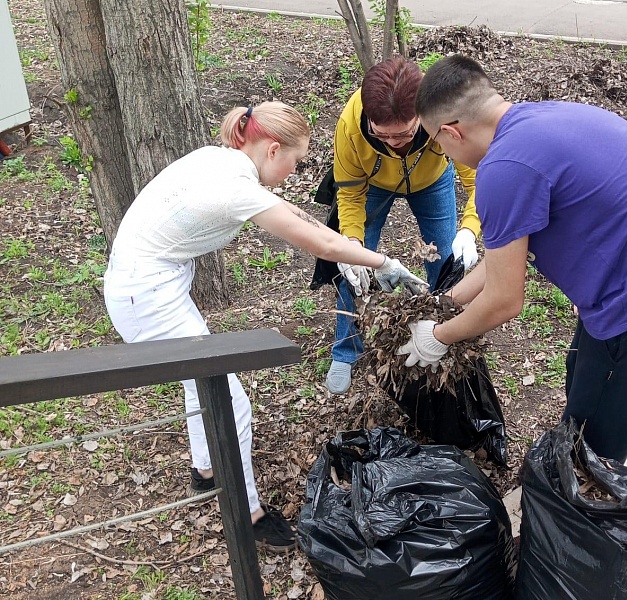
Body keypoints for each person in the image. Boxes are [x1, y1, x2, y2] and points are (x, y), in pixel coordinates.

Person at [103, 102, 423, 553]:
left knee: (203, 382)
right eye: (295, 161)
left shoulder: (222, 160)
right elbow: (309, 236)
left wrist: (348, 249)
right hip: (145, 297)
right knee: (232, 401)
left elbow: (293, 213)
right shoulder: (236, 189)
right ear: (273, 149)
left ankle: (206, 471)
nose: (294, 172)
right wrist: (380, 260)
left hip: (149, 284)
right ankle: (247, 513)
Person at [400, 55, 627, 463]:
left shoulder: (503, 170)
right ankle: (570, 479)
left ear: (451, 132)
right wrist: (446, 303)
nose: (439, 150)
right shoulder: (535, 121)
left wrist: (438, 337)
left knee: (596, 437)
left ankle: (581, 511)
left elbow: (505, 298)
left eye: (434, 140)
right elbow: (501, 263)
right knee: (582, 379)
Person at [326, 56, 482, 395]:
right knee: (354, 269)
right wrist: (351, 243)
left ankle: (443, 337)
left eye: (405, 134)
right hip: (373, 184)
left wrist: (469, 230)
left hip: (433, 180)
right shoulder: (351, 126)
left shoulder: (445, 113)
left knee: (444, 262)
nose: (394, 143)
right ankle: (346, 350)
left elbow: (479, 181)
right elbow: (350, 195)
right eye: (382, 135)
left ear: (424, 115)